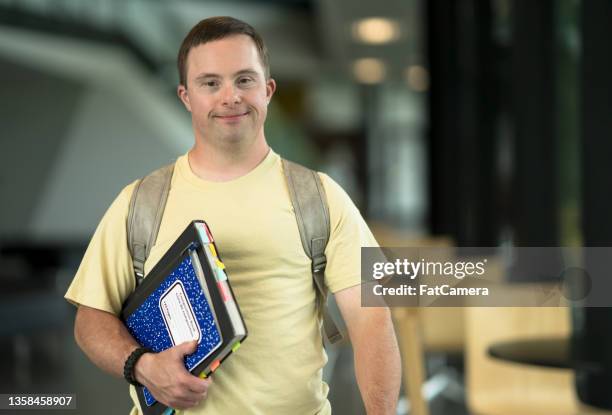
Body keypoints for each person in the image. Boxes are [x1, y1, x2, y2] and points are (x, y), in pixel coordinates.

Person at [65, 16, 401, 415]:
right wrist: (144, 366)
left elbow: (372, 318)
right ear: (186, 96)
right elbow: (91, 319)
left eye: (245, 80)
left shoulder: (319, 196)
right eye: (210, 83)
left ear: (268, 90)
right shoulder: (140, 202)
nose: (231, 96)